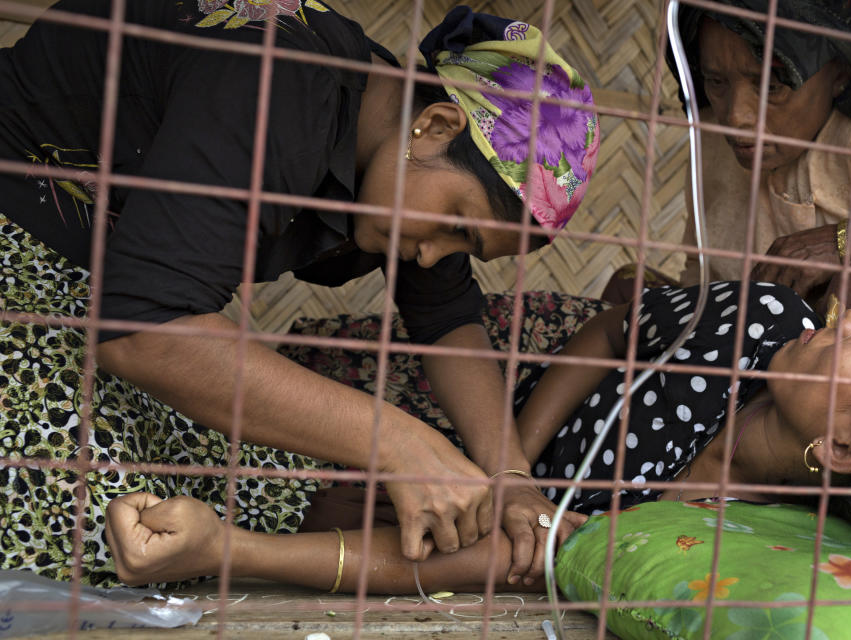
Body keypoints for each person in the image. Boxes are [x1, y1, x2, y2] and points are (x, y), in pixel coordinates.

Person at [0, 1, 599, 585]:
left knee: (286, 500)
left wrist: (512, 478)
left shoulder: (398, 154)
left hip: (102, 298)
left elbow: (446, 319)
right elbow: (142, 335)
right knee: (85, 518)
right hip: (22, 250)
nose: (432, 255)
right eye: (458, 226)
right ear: (437, 124)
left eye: (467, 251)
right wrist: (399, 442)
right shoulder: (281, 87)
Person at [104, 281, 851, 592]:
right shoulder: (761, 319)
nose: (844, 316)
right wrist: (511, 463)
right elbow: (608, 332)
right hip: (494, 414)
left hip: (468, 499)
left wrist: (234, 552)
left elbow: (491, 557)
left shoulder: (708, 533)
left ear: (847, 452)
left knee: (339, 509)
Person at [668, 0, 851, 312]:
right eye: (716, 82)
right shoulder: (712, 136)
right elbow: (699, 278)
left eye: (771, 86)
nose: (736, 116)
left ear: (840, 75)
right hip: (729, 352)